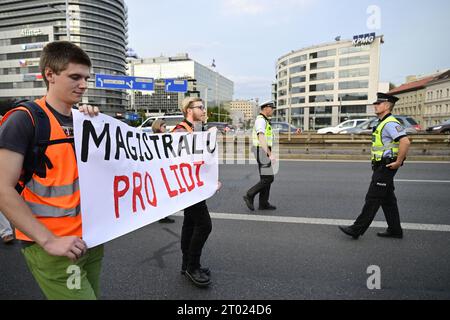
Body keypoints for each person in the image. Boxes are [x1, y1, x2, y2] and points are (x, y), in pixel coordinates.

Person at [0, 41, 102, 299]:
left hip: (91, 239)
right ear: (50, 75)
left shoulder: (85, 121)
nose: (84, 85)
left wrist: (192, 186)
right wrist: (48, 240)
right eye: (75, 77)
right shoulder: (24, 119)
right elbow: (2, 188)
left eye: (86, 78)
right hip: (55, 246)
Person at [339, 92, 411, 240]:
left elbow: (405, 141)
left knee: (372, 198)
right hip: (381, 166)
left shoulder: (390, 123)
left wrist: (398, 162)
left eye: (378, 103)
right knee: (388, 199)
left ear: (387, 106)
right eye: (375, 103)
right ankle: (395, 230)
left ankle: (356, 229)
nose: (375, 105)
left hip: (387, 166)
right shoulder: (382, 122)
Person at [172, 97, 214, 287]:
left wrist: (210, 179)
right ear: (189, 110)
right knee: (204, 225)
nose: (204, 110)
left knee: (190, 224)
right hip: (188, 187)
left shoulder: (195, 130)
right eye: (200, 107)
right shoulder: (181, 131)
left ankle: (186, 264)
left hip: (195, 186)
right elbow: (178, 163)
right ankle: (192, 266)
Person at [243, 101, 277, 211]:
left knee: (265, 178)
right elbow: (261, 137)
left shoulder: (265, 121)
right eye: (271, 108)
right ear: (265, 108)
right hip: (261, 151)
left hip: (262, 150)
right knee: (269, 178)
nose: (273, 110)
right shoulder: (260, 120)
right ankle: (249, 194)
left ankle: (263, 203)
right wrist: (269, 154)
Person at [151, 119, 175, 224]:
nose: (166, 128)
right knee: (162, 193)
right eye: (164, 127)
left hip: (163, 170)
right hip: (158, 171)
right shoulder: (155, 139)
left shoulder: (164, 138)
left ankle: (161, 214)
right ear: (158, 127)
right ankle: (162, 216)